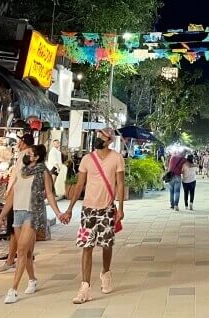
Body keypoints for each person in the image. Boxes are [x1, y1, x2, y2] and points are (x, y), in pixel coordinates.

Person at [60, 128, 124, 304]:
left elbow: (120, 183)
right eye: (98, 135)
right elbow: (80, 184)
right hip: (88, 209)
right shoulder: (88, 159)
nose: (98, 138)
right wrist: (70, 208)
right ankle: (85, 286)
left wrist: (120, 207)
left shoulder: (116, 158)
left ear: (109, 140)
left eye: (102, 136)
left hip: (107, 208)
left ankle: (106, 273)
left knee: (106, 244)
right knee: (86, 246)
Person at [0, 144, 63, 304]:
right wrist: (1, 216)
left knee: (21, 249)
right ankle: (32, 279)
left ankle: (13, 289)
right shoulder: (20, 171)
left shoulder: (42, 172)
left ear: (37, 157)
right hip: (18, 212)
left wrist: (58, 212)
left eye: (29, 153)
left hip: (33, 213)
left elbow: (49, 193)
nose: (26, 155)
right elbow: (12, 195)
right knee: (26, 252)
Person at [0, 133, 34, 272]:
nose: (18, 144)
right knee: (19, 230)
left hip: (19, 198)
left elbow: (17, 178)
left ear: (23, 142)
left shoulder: (25, 155)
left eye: (20, 142)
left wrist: (10, 192)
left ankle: (12, 259)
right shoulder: (28, 155)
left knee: (15, 229)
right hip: (23, 199)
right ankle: (17, 258)